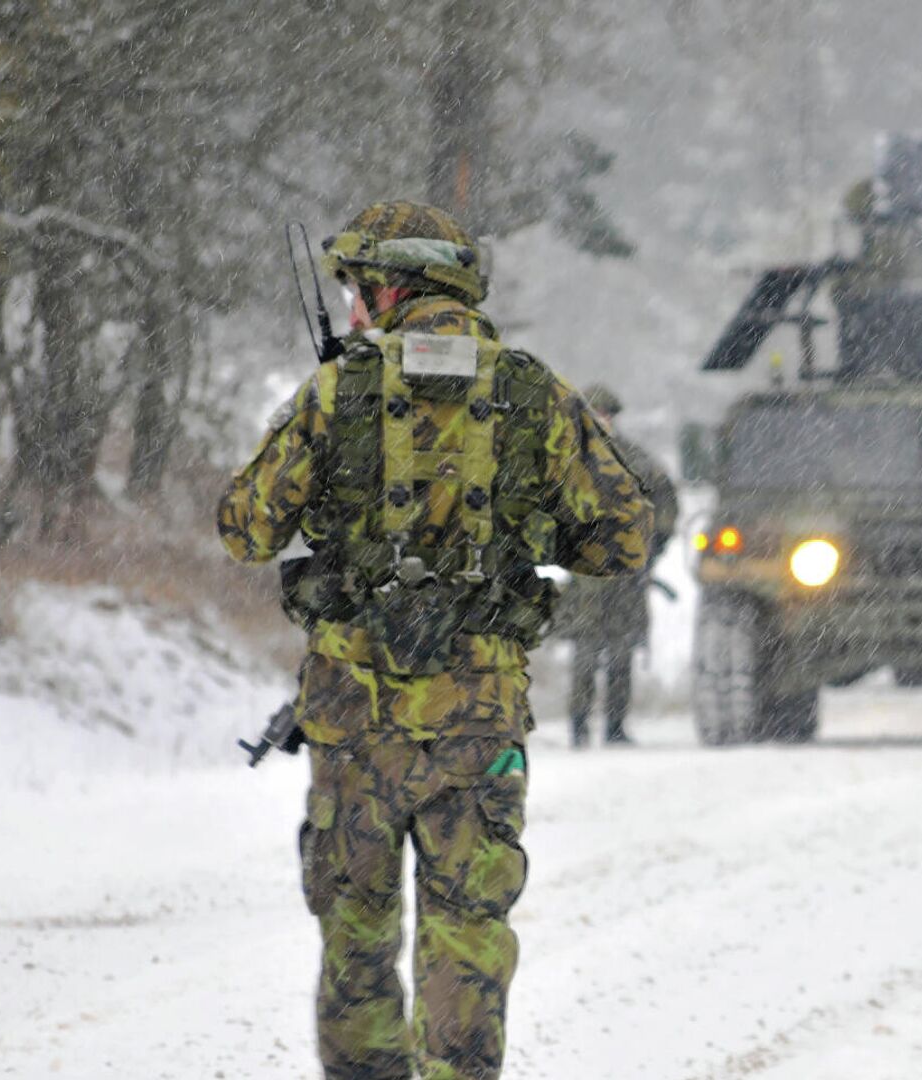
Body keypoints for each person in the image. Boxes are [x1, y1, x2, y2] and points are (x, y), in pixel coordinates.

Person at [216, 200, 654, 1080]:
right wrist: (520, 540)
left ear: (388, 286)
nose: (351, 309)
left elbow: (246, 529)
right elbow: (624, 535)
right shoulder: (532, 390)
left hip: (353, 721)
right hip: (477, 720)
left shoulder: (338, 391)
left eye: (357, 290)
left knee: (357, 936)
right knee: (467, 935)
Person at [566, 384, 679, 747]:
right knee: (585, 651)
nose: (602, 422)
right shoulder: (568, 460)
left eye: (606, 415)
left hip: (626, 573)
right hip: (586, 573)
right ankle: (578, 724)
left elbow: (666, 506)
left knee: (620, 650)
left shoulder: (637, 461)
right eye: (594, 415)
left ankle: (615, 724)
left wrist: (653, 550)